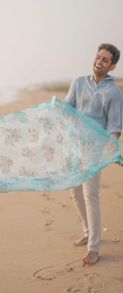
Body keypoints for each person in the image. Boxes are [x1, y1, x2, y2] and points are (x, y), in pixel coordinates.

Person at [65, 43, 122, 265]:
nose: (99, 61)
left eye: (105, 60)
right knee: (75, 193)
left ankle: (94, 248)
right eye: (98, 57)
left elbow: (115, 127)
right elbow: (68, 108)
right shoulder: (78, 83)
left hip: (94, 152)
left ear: (112, 66)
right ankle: (87, 231)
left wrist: (111, 150)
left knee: (90, 196)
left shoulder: (113, 93)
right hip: (74, 147)